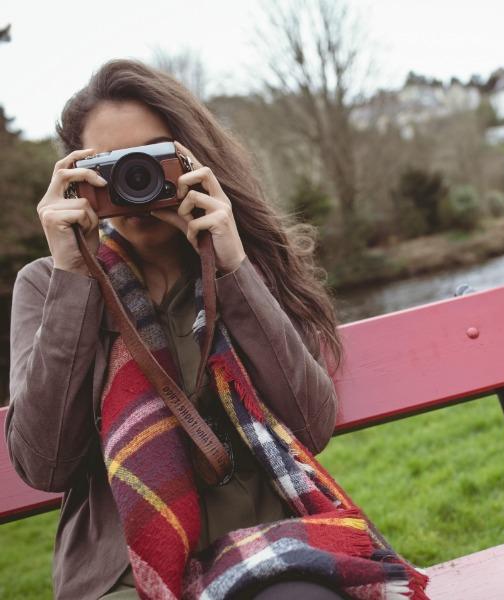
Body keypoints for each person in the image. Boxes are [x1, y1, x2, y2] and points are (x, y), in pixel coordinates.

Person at [6, 59, 348, 600]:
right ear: (73, 175)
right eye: (109, 165)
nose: (132, 178)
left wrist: (233, 266)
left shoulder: (246, 256)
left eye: (150, 157)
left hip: (264, 548)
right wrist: (75, 277)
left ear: (191, 156)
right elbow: (44, 463)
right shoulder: (48, 283)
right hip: (125, 572)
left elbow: (311, 424)